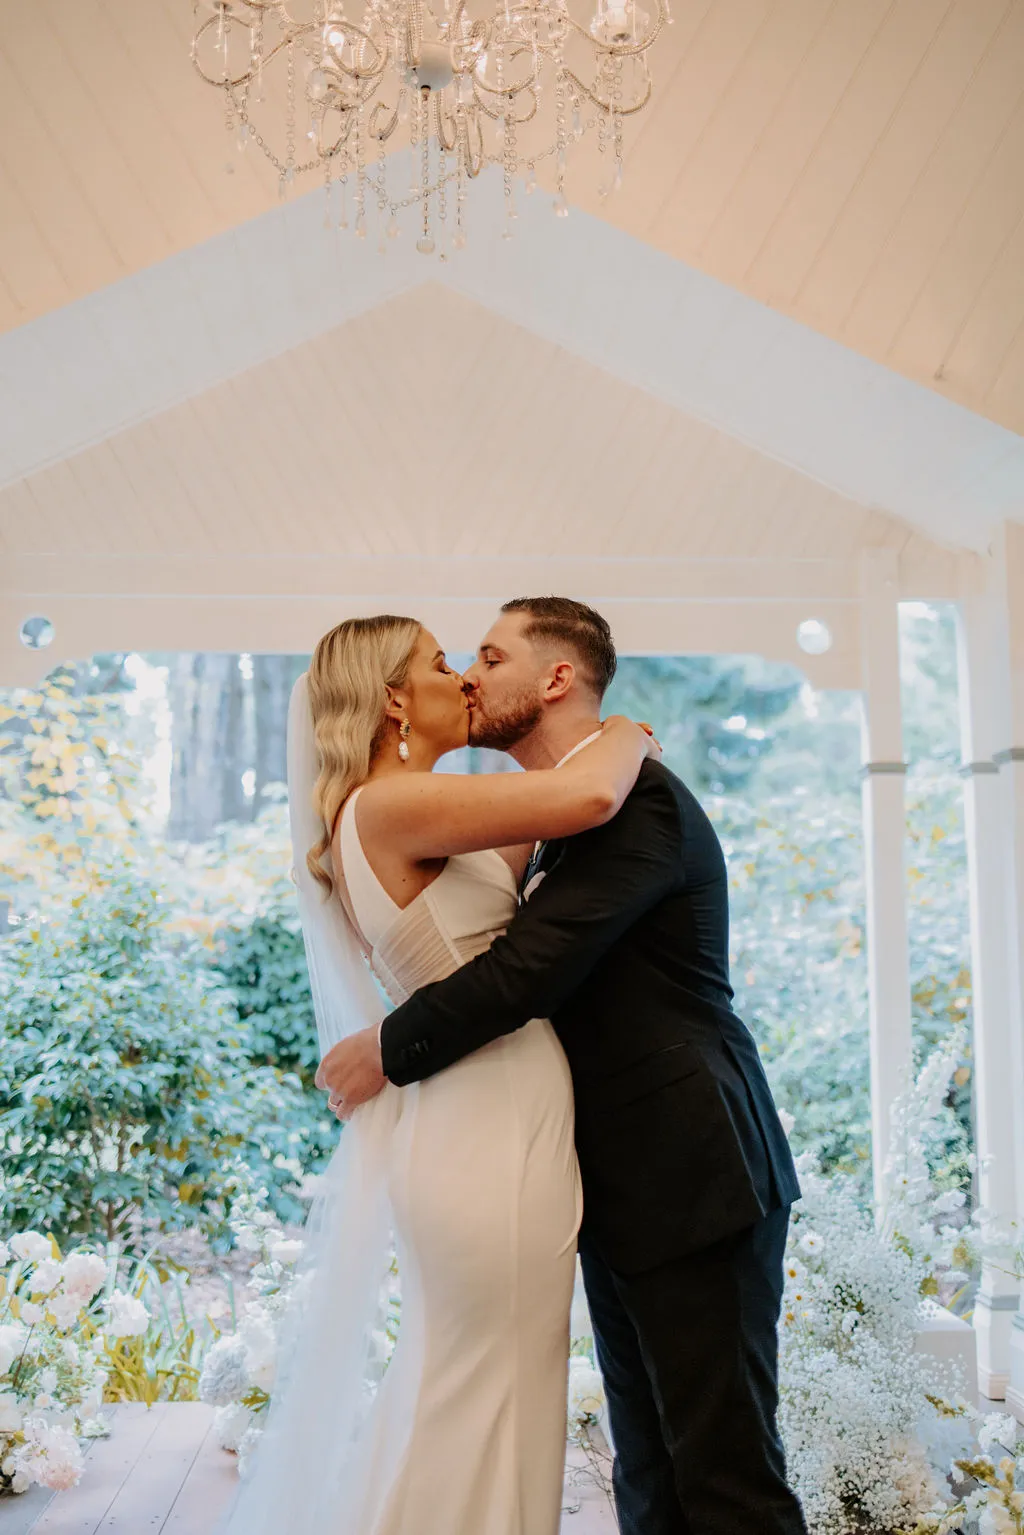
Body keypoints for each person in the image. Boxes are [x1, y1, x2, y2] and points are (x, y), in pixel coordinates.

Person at [319, 596, 808, 1535]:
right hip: (610, 1185)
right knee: (651, 1470)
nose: (468, 675)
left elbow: (525, 971)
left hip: (692, 1170)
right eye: (455, 661)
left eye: (490, 657)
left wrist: (389, 1045)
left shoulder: (640, 803)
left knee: (727, 1473)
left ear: (555, 678)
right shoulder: (539, 827)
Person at [220, 612, 657, 1535]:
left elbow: (529, 860)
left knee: (471, 1389)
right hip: (486, 1126)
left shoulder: (413, 810)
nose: (461, 677)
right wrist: (624, 731)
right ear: (390, 697)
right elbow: (583, 801)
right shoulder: (390, 805)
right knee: (483, 1394)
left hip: (482, 1116)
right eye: (439, 662)